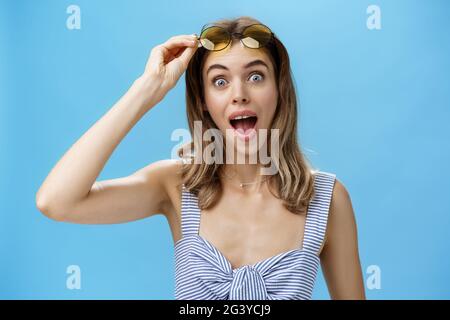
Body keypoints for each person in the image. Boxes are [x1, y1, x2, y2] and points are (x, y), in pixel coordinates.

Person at [36, 16, 366, 300]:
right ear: (204, 100)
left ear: (279, 89)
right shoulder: (176, 186)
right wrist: (146, 91)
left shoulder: (327, 199)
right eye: (220, 81)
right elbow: (56, 201)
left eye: (255, 76)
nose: (239, 94)